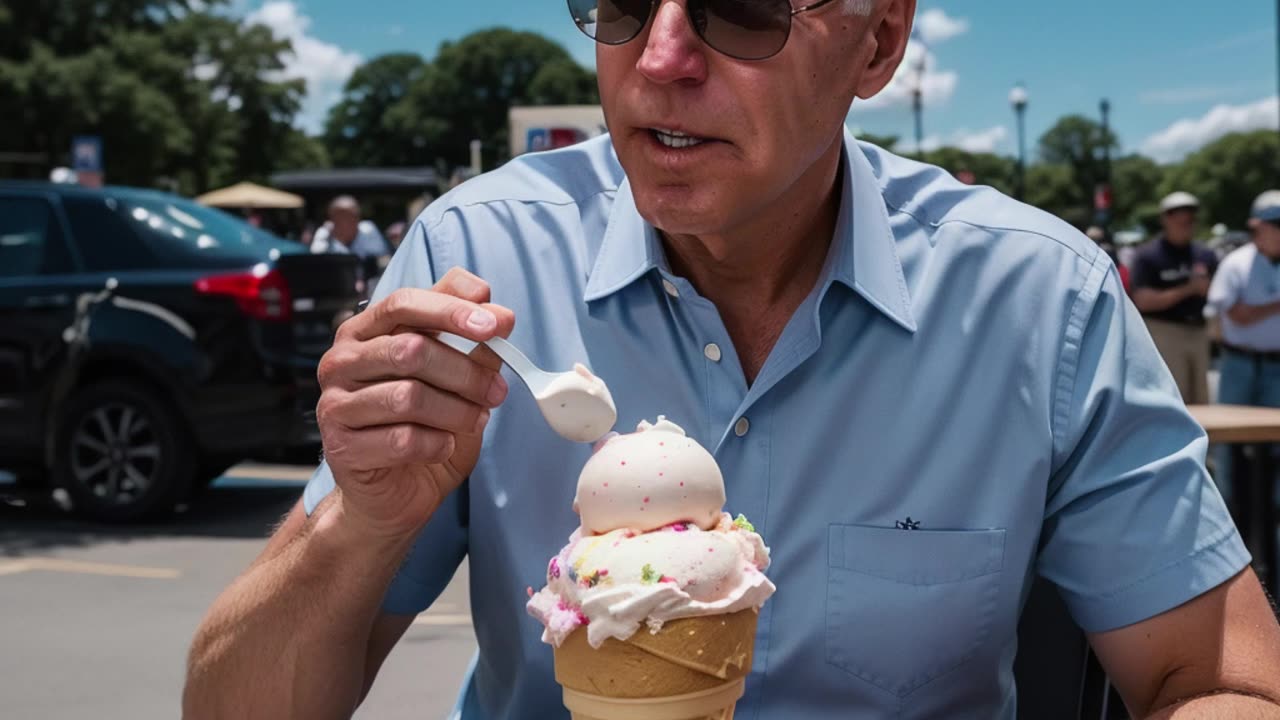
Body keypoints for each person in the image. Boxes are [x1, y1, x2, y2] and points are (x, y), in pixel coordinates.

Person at [184, 2, 1280, 718]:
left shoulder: (1034, 302)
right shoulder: (480, 264)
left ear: (877, 42)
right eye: (618, 4)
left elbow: (1220, 677)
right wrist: (360, 525)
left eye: (743, 10)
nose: (659, 59)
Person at [1205, 190, 1280, 485]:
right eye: (1274, 225)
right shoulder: (1236, 263)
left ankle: (1275, 524)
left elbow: (1249, 312)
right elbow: (1237, 315)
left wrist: (1260, 310)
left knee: (1277, 447)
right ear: (1256, 227)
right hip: (1240, 363)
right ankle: (1230, 517)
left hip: (1276, 365)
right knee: (1229, 446)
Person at [1129, 191, 1219, 405]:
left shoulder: (1204, 254)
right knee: (1174, 396)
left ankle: (1205, 438)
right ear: (1165, 219)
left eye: (1190, 215)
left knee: (1201, 396)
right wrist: (1188, 289)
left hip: (1198, 330)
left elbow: (1217, 292)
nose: (1185, 220)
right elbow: (1142, 300)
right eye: (1177, 214)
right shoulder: (1149, 255)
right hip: (1164, 330)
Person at [310, 195, 391, 260]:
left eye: (351, 217)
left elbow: (382, 258)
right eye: (340, 217)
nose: (345, 222)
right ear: (332, 219)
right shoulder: (324, 232)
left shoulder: (368, 229)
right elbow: (316, 260)